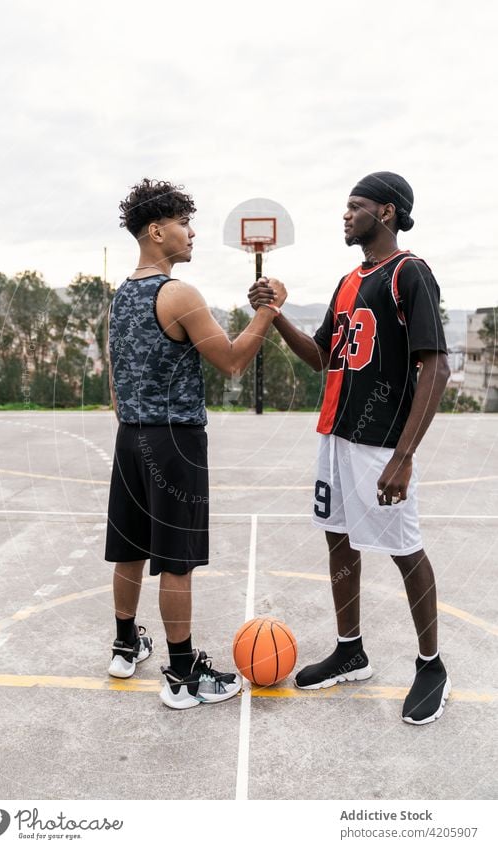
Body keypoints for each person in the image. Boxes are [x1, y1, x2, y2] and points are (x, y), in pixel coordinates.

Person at [249, 172, 451, 724]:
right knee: (339, 540)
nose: (345, 215)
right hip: (335, 435)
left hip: (380, 442)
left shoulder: (410, 274)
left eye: (355, 206)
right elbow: (320, 357)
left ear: (385, 213)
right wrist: (273, 315)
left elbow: (437, 366)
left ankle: (432, 665)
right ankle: (350, 649)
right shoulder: (347, 281)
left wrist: (403, 457)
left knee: (405, 549)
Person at [105, 177, 286, 710]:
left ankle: (124, 645)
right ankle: (183, 676)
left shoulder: (119, 296)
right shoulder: (178, 293)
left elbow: (116, 379)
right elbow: (231, 361)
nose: (191, 234)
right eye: (184, 224)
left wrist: (134, 424)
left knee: (129, 549)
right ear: (156, 231)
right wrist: (268, 311)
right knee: (176, 561)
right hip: (174, 442)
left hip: (130, 435)